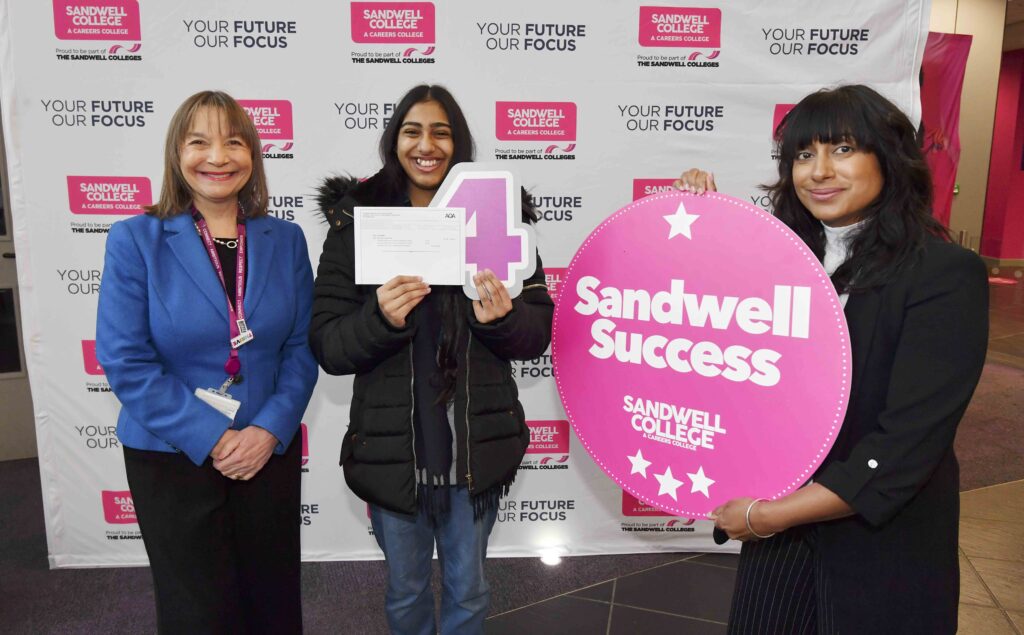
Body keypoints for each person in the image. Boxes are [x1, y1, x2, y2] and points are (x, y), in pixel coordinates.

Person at [677, 85, 988, 634]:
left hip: (878, 541)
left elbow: (906, 444)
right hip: (780, 534)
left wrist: (769, 514)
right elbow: (711, 347)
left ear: (888, 159)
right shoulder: (781, 262)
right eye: (803, 154)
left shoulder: (944, 274)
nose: (819, 171)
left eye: (843, 149)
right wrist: (697, 228)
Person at [310, 84, 553, 634]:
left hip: (474, 454)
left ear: (459, 143)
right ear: (394, 140)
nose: (427, 145)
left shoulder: (498, 213)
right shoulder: (359, 223)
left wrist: (504, 319)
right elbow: (327, 344)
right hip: (394, 456)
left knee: (469, 590)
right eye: (412, 131)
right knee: (405, 591)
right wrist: (381, 318)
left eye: (441, 132)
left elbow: (539, 330)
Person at [96, 90, 317, 634]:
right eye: (199, 141)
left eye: (233, 142)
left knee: (272, 603)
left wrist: (267, 429)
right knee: (198, 611)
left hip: (267, 452)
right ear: (177, 154)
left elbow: (303, 348)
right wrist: (214, 438)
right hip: (173, 456)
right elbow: (125, 360)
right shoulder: (136, 239)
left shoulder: (285, 240)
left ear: (252, 156)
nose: (217, 157)